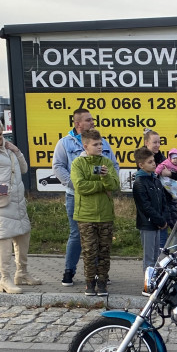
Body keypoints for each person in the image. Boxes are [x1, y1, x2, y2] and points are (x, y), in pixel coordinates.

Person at [51, 109, 119, 286]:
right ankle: (69, 271)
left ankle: (99, 273)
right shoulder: (65, 143)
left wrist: (110, 181)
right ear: (77, 123)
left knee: (100, 238)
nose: (92, 122)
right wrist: (74, 184)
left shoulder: (102, 143)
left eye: (93, 119)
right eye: (88, 120)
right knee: (76, 235)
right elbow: (58, 166)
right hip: (76, 198)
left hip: (101, 200)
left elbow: (114, 164)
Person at [0, 117, 39, 294]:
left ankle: (22, 272)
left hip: (17, 200)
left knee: (23, 235)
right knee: (4, 239)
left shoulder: (7, 148)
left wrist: (17, 151)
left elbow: (24, 169)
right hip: (0, 202)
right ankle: (5, 278)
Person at [70, 129, 121, 296]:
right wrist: (101, 186)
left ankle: (102, 282)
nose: (100, 147)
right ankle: (89, 282)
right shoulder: (78, 163)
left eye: (101, 144)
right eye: (95, 144)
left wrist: (105, 178)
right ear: (86, 146)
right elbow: (81, 186)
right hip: (86, 215)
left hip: (105, 214)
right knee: (89, 251)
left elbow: (114, 186)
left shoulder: (106, 162)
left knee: (104, 251)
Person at [132, 145, 169, 275]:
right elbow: (145, 206)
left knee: (156, 256)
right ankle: (148, 284)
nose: (154, 164)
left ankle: (156, 280)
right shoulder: (139, 183)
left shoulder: (155, 180)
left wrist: (163, 218)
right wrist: (159, 220)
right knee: (149, 258)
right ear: (141, 165)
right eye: (150, 162)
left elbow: (163, 200)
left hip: (158, 223)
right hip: (147, 224)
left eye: (153, 161)